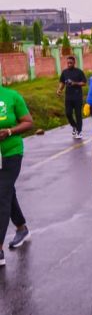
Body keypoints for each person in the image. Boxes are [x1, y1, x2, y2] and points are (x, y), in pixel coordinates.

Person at [0, 87, 33, 267]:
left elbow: (28, 122)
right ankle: (21, 228)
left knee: (2, 196)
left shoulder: (11, 96)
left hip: (11, 153)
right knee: (6, 192)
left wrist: (9, 131)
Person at [57, 56, 87, 139]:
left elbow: (84, 83)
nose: (69, 64)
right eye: (68, 63)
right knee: (68, 113)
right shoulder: (65, 72)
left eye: (71, 63)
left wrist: (75, 83)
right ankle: (74, 126)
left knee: (78, 115)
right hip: (68, 97)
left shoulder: (79, 72)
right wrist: (59, 90)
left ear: (74, 63)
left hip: (77, 97)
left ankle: (79, 131)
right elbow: (62, 82)